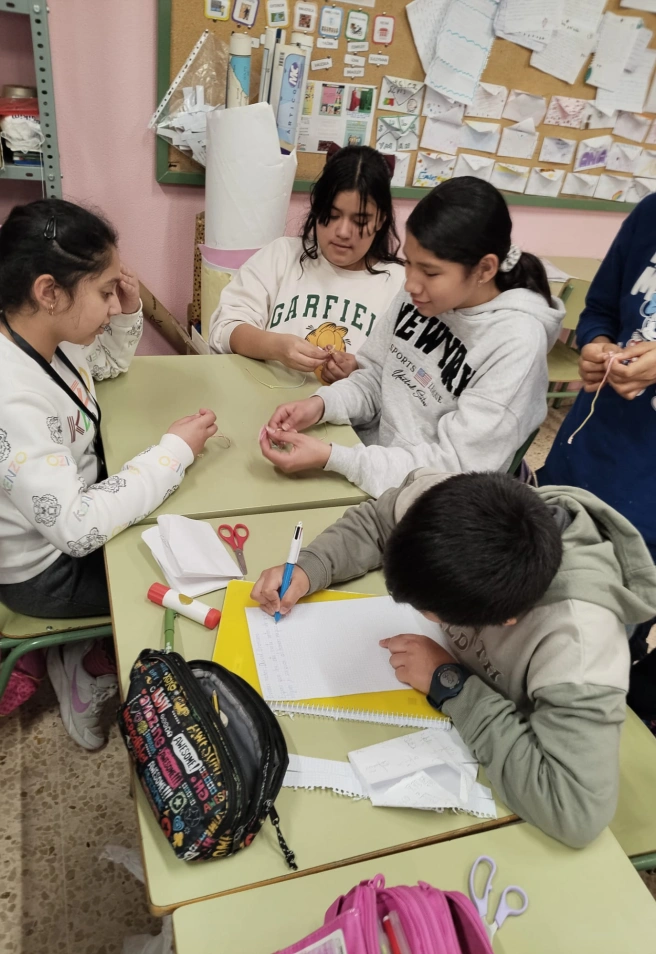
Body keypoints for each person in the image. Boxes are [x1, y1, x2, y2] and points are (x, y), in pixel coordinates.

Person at [252, 471, 656, 847]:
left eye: (429, 611)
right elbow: (378, 520)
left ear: (505, 620)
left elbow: (575, 811)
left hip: (482, 759)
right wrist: (310, 568)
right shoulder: (450, 503)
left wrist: (452, 684)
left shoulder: (579, 645)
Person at [0, 198, 217, 748]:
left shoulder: (42, 339)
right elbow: (76, 529)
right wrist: (172, 452)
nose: (107, 304)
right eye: (101, 292)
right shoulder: (12, 396)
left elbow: (105, 368)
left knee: (168, 519)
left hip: (62, 533)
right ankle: (75, 661)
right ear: (49, 292)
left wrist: (122, 312)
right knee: (185, 580)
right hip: (46, 575)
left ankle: (74, 651)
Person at [258, 177, 565, 498]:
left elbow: (454, 468)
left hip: (426, 500)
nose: (412, 284)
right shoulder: (420, 294)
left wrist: (335, 458)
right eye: (410, 263)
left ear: (485, 269)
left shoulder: (516, 344)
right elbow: (375, 377)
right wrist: (321, 405)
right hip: (368, 466)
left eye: (430, 272)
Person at [538, 194, 656, 733]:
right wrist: (596, 344)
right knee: (530, 585)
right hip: (585, 455)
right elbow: (602, 309)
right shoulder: (650, 215)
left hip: (648, 509)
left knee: (596, 646)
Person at [208, 145, 405, 384]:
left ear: (380, 220)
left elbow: (407, 378)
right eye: (332, 215)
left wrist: (361, 372)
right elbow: (224, 329)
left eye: (360, 220)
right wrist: (274, 346)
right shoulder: (281, 257)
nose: (343, 232)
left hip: (348, 420)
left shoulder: (401, 285)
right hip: (267, 409)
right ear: (316, 207)